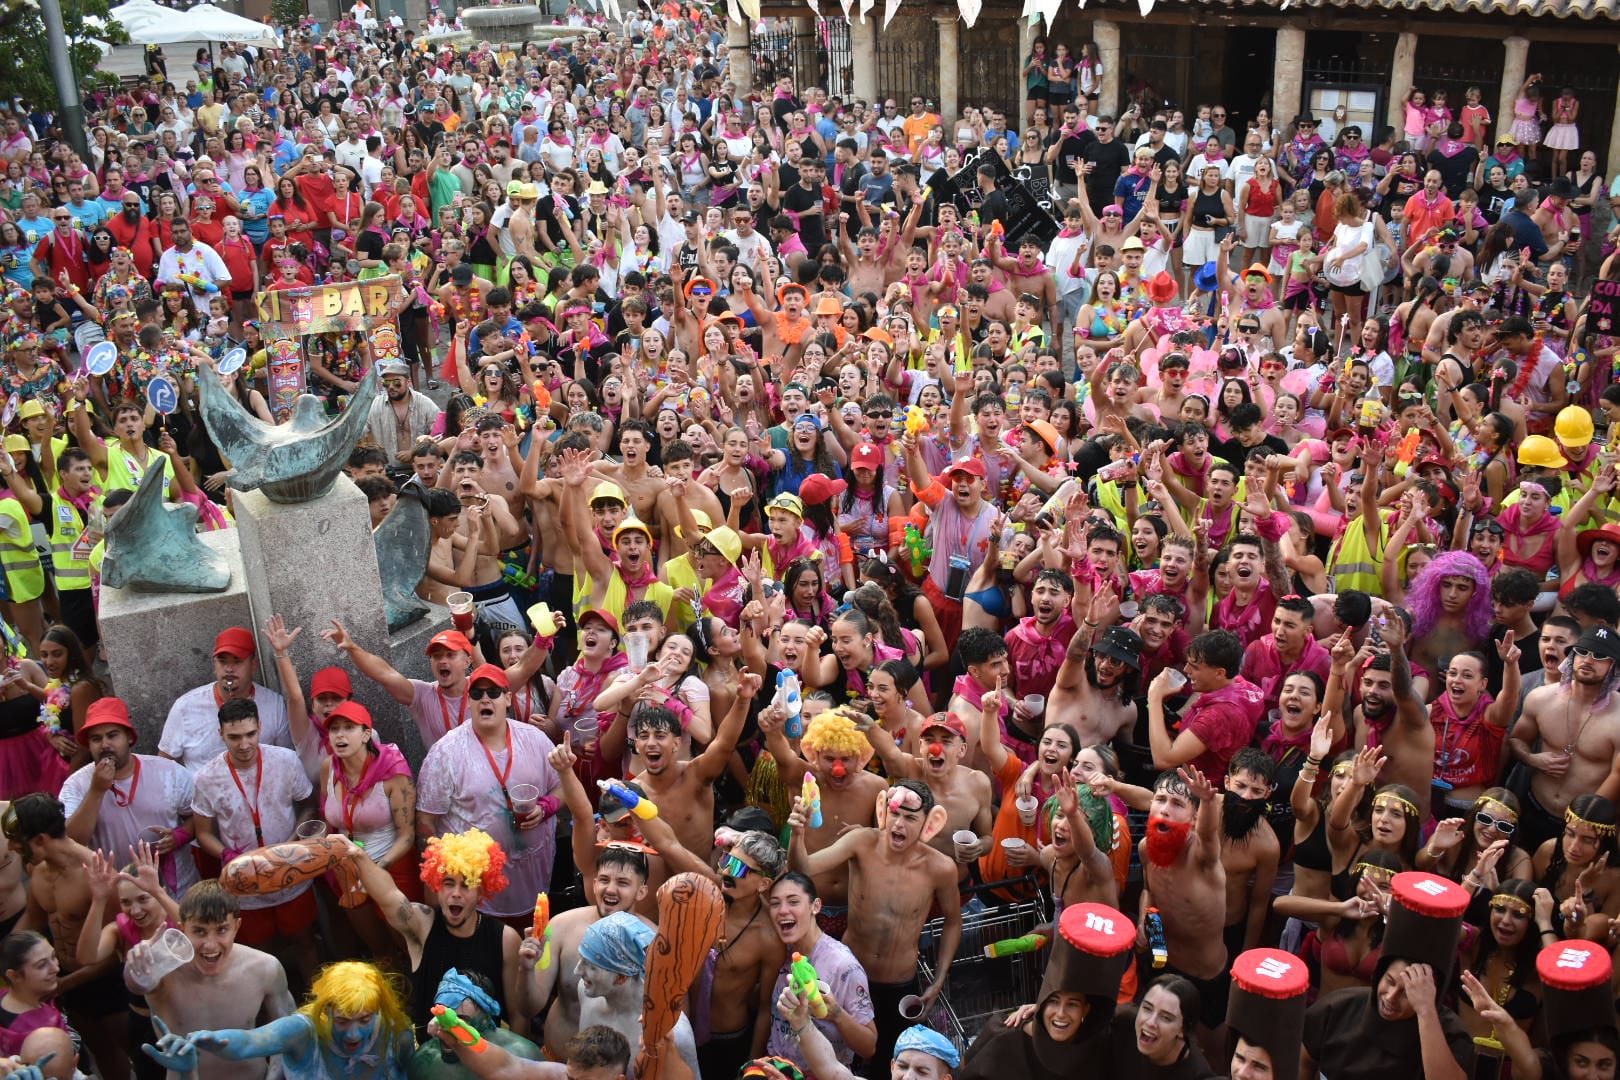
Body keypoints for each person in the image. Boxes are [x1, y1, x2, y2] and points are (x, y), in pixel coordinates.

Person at [786, 779, 960, 1073]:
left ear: (927, 824)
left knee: (888, 1062)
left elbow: (954, 922)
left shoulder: (940, 868)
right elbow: (803, 869)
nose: (899, 824)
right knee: (837, 1058)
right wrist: (797, 835)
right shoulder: (862, 842)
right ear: (884, 812)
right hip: (850, 977)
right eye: (895, 813)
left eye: (910, 817)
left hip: (899, 984)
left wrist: (939, 977)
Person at [339, 828, 525, 1035]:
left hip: (485, 1053)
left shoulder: (505, 939)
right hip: (432, 1054)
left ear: (481, 891)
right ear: (437, 886)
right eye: (448, 883)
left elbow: (518, 1015)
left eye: (466, 885)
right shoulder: (422, 924)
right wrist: (358, 855)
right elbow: (388, 895)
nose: (455, 894)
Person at [415, 662, 561, 920]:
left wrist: (546, 807)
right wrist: (439, 880)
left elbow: (563, 788)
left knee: (532, 951)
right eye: (476, 694)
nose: (485, 699)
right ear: (469, 700)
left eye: (493, 693)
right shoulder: (445, 752)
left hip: (536, 880)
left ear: (507, 698)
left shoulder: (535, 739)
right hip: (475, 895)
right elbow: (426, 821)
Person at [188, 697, 317, 983]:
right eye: (234, 737)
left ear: (260, 727)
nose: (244, 744)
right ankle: (271, 1017)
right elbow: (203, 833)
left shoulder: (284, 760)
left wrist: (292, 843)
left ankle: (315, 1007)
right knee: (258, 954)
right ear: (220, 734)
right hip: (244, 883)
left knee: (306, 941)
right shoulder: (206, 778)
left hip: (290, 873)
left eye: (250, 734)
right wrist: (226, 855)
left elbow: (308, 805)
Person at [1300, 871, 1475, 1079]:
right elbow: (1302, 1063)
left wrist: (1426, 1011)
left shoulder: (1451, 1036)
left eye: (1407, 993)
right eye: (1390, 981)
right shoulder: (1338, 1008)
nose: (1390, 997)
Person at [132, 881, 297, 1080]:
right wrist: (135, 966)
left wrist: (274, 1078)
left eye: (221, 930)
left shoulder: (265, 968)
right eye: (200, 931)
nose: (210, 945)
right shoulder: (164, 973)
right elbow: (139, 985)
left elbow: (289, 1034)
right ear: (183, 929)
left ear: (237, 926)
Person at [142, 961, 413, 1080]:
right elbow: (251, 1042)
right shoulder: (302, 1030)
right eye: (341, 1022)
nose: (353, 1034)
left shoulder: (396, 1033)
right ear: (324, 1012)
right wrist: (213, 1040)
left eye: (364, 1020)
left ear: (379, 1011)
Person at [957, 902, 1134, 1080]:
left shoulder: (1102, 1042)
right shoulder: (1007, 1034)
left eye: (1072, 1004)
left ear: (1086, 1010)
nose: (1061, 1013)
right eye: (1054, 1001)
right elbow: (965, 1068)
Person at [159, 628, 295, 774]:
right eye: (222, 662)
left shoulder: (274, 704)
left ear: (254, 665)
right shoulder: (185, 707)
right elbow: (164, 767)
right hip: (204, 794)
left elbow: (287, 760)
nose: (229, 669)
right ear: (215, 666)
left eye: (237, 661)